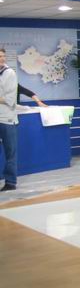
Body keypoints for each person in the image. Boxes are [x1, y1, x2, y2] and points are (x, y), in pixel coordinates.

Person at [0, 48, 18, 191]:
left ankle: (10, 182)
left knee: (10, 152)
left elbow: (10, 99)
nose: (2, 58)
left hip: (7, 119)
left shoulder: (9, 73)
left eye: (3, 56)